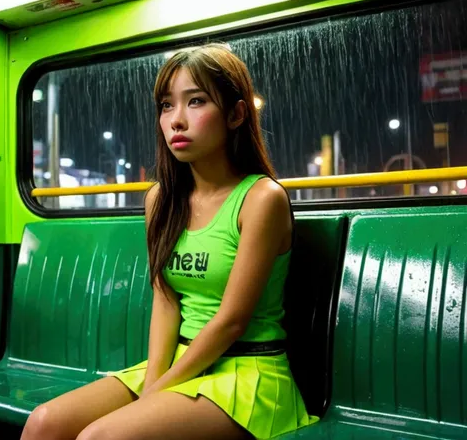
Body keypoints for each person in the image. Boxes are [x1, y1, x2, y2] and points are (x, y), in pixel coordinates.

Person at [20, 43, 319, 440]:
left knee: (100, 438)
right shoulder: (160, 200)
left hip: (249, 373)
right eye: (166, 105)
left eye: (195, 102)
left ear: (235, 114)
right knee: (45, 423)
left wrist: (158, 392)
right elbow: (165, 300)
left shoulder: (260, 199)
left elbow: (231, 322)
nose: (176, 120)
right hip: (183, 361)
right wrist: (155, 381)